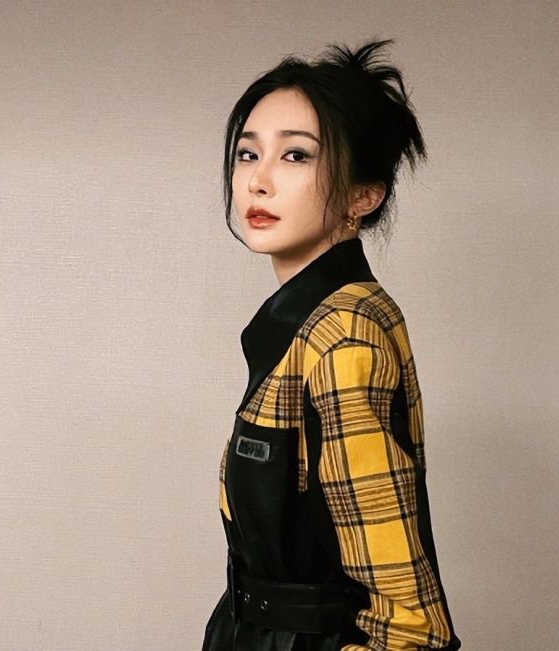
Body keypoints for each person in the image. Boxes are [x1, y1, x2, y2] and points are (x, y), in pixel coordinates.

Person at [203, 40, 460, 651]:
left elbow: (410, 627)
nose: (258, 180)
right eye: (247, 153)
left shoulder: (343, 336)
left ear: (363, 195)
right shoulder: (314, 321)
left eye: (296, 155)